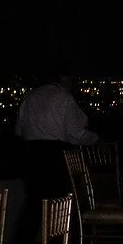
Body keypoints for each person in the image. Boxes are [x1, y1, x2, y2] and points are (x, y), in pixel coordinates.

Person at [13, 70, 96, 204]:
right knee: (61, 202)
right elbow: (75, 133)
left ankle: (30, 225)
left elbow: (19, 130)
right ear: (63, 77)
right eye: (73, 78)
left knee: (35, 201)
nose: (75, 83)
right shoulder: (64, 97)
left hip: (31, 155)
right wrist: (95, 139)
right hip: (55, 155)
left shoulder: (30, 96)